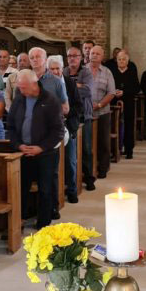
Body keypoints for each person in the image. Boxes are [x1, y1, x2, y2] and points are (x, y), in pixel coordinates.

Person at [6, 69, 64, 230]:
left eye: (23, 87)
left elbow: (58, 131)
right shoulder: (19, 99)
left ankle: (43, 223)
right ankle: (20, 220)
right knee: (21, 188)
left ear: (34, 84)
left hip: (46, 153)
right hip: (23, 152)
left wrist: (41, 147)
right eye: (19, 87)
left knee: (45, 189)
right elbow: (10, 127)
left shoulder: (50, 100)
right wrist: (18, 145)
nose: (20, 90)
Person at [49, 55, 81, 203]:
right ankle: (55, 193)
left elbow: (78, 106)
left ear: (62, 69)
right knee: (53, 163)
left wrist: (66, 113)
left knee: (70, 161)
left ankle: (72, 190)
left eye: (58, 68)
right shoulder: (44, 84)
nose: (55, 72)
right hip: (50, 127)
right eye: (52, 69)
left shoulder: (69, 83)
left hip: (68, 124)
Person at [66, 46, 95, 191]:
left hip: (84, 114)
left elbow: (88, 91)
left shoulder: (86, 72)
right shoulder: (64, 71)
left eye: (75, 56)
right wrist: (77, 86)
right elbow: (61, 90)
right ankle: (71, 179)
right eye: (69, 56)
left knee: (86, 148)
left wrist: (71, 87)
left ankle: (89, 178)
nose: (72, 58)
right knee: (70, 150)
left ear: (81, 58)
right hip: (69, 114)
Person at [87, 45, 116, 180]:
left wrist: (99, 105)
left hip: (102, 111)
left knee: (103, 141)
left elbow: (111, 92)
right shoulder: (83, 71)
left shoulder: (107, 72)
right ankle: (88, 169)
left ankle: (103, 168)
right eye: (92, 53)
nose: (94, 55)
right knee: (87, 142)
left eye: (97, 54)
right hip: (86, 112)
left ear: (102, 57)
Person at [110, 49, 140, 159]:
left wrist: (124, 92)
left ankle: (129, 150)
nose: (121, 61)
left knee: (129, 126)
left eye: (123, 59)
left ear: (127, 61)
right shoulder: (112, 71)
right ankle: (114, 149)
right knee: (114, 126)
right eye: (119, 59)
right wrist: (114, 91)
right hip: (114, 101)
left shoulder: (131, 71)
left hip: (128, 102)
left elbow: (136, 88)